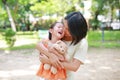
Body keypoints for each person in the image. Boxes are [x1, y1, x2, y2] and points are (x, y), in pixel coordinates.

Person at [36, 11, 88, 80]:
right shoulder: (58, 33)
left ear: (76, 31)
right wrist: (51, 56)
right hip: (46, 76)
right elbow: (38, 45)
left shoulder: (82, 43)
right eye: (64, 25)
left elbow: (74, 67)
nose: (63, 29)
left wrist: (49, 61)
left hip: (65, 77)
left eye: (67, 29)